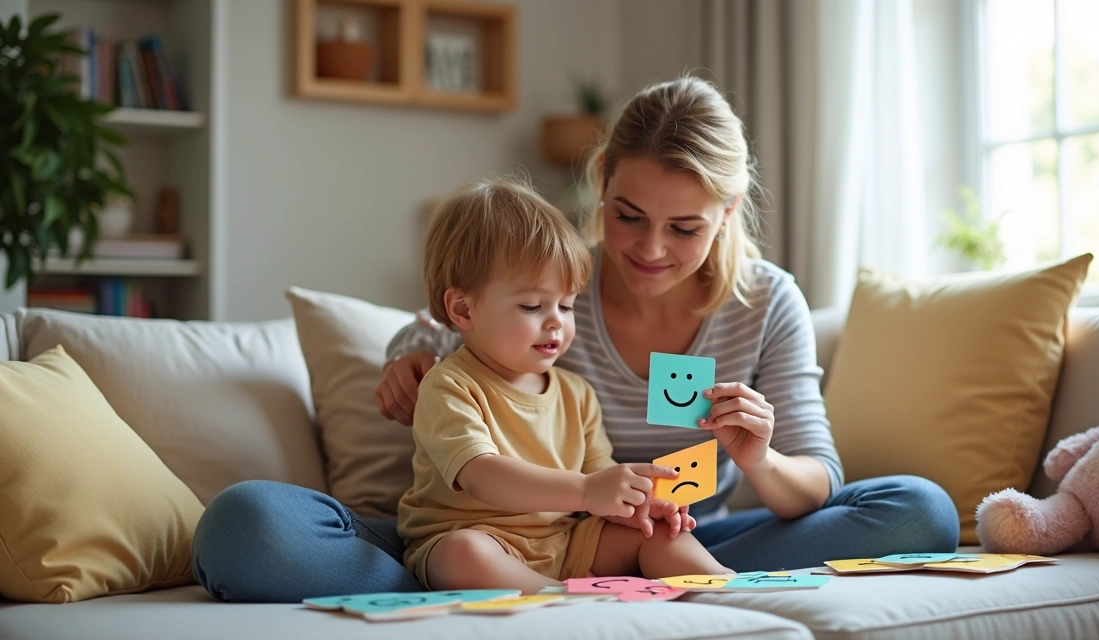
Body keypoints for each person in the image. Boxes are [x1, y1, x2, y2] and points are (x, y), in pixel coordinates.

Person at [191, 76, 958, 604]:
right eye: (628, 215)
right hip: (481, 526)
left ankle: (635, 584)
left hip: (653, 531)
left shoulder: (765, 302)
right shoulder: (553, 283)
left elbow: (816, 481)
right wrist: (406, 362)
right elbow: (434, 324)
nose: (650, 249)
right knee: (249, 527)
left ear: (728, 211)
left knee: (919, 511)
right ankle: (476, 579)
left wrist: (760, 457)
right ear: (601, 179)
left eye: (684, 227)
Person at [400, 177, 731, 593]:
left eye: (567, 304)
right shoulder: (448, 386)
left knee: (657, 533)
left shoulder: (577, 393)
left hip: (568, 543)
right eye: (533, 306)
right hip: (479, 540)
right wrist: (589, 490)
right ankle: (560, 600)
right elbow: (482, 476)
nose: (557, 321)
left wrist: (639, 506)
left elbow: (601, 480)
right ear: (463, 309)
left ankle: (726, 589)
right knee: (462, 553)